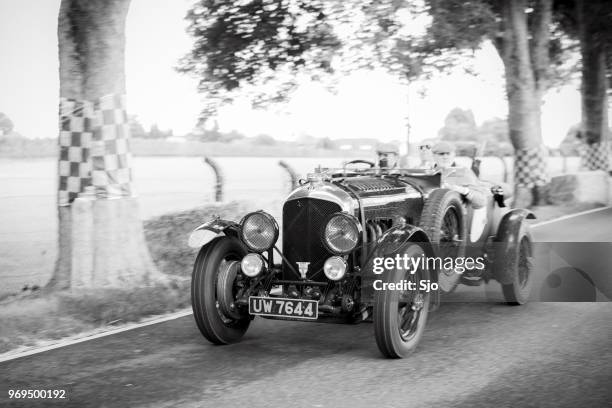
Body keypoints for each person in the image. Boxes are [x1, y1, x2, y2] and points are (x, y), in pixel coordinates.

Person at [431, 141, 487, 209]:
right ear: (433, 156)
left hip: (454, 215)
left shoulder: (463, 172)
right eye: (441, 154)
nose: (445, 157)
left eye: (448, 154)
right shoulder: (428, 173)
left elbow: (481, 202)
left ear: (453, 155)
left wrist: (463, 191)